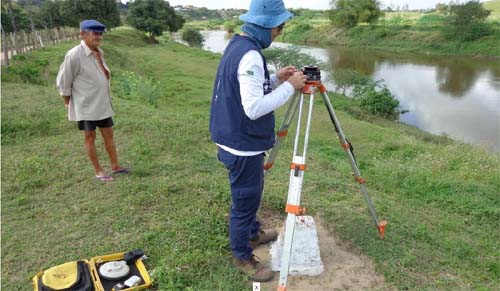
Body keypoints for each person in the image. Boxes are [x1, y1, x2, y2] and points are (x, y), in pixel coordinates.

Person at [209, 0, 307, 282]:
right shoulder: (250, 55)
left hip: (233, 138)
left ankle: (253, 234)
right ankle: (242, 256)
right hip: (241, 145)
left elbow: (249, 90)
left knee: (250, 195)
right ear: (266, 25)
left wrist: (276, 79)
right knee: (245, 200)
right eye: (279, 29)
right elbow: (253, 108)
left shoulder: (239, 45)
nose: (279, 34)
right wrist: (291, 87)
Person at [56, 20, 128, 182]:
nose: (99, 37)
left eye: (100, 34)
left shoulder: (98, 51)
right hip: (86, 106)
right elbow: (63, 83)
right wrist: (68, 103)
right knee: (90, 137)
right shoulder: (74, 55)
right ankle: (99, 171)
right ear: (83, 34)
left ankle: (115, 166)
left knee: (109, 135)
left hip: (102, 104)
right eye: (95, 33)